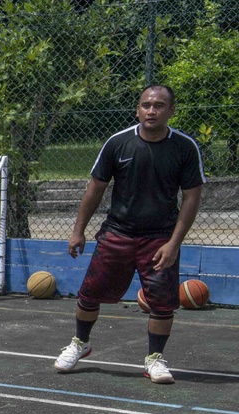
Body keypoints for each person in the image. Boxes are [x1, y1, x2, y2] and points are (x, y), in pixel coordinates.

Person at [53, 84, 205, 384]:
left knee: (162, 303)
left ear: (170, 111)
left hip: (160, 236)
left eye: (159, 105)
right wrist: (78, 231)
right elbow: (95, 188)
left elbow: (191, 198)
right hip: (118, 231)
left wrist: (174, 243)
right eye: (146, 105)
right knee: (89, 294)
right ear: (137, 109)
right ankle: (80, 343)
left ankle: (154, 360)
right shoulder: (118, 142)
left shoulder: (185, 148)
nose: (152, 110)